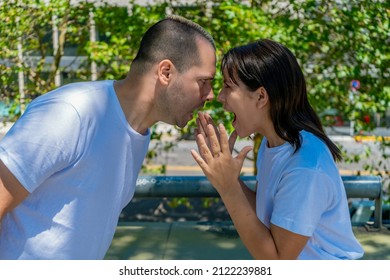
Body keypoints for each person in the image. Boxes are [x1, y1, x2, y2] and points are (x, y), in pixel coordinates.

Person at [0, 15, 216, 259]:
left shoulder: (139, 133)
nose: (210, 95)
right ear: (166, 72)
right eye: (204, 82)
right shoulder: (71, 112)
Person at [191, 39, 364, 260]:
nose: (220, 97)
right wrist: (227, 179)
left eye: (228, 86)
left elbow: (278, 262)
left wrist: (229, 189)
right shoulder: (273, 144)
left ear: (261, 96)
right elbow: (269, 216)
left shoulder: (305, 165)